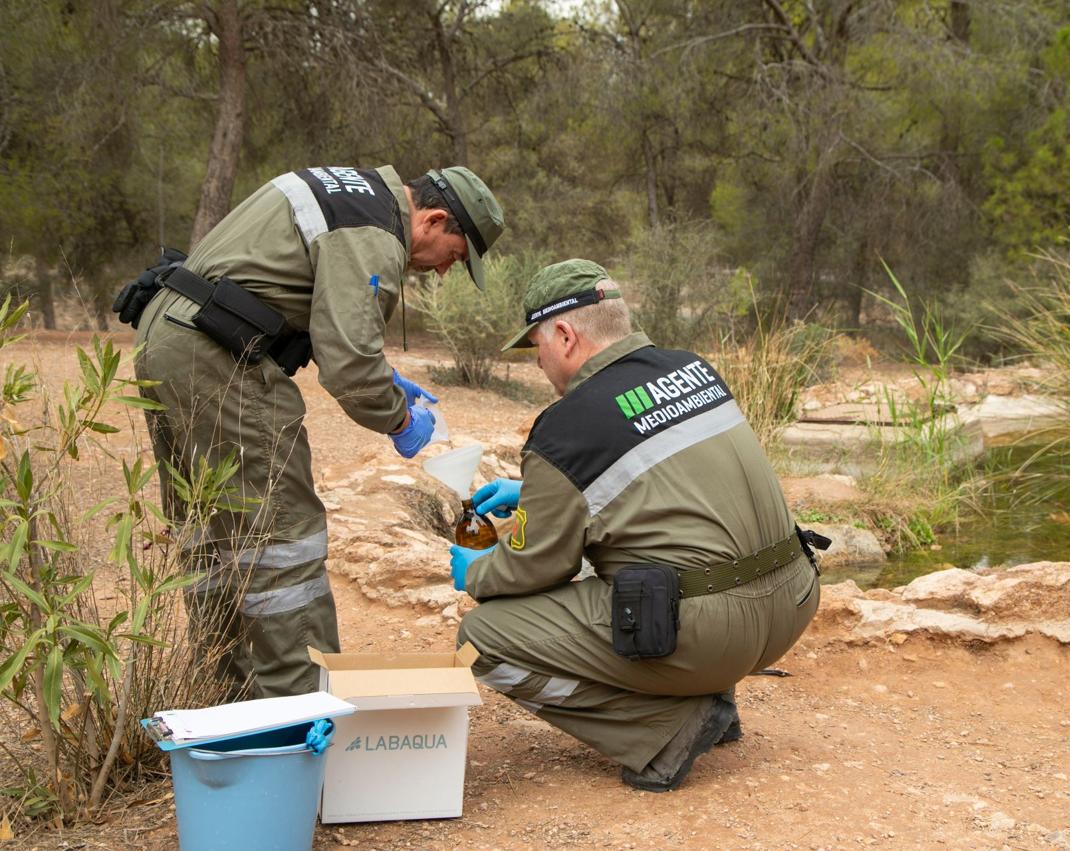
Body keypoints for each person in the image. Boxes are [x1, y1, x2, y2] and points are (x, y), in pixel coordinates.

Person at [126, 164, 504, 698]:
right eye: (455, 256)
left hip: (169, 338)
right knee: (283, 538)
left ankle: (225, 695)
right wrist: (397, 417)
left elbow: (291, 298)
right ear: (435, 219)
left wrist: (380, 376)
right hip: (217, 357)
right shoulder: (373, 229)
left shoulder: (350, 191)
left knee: (212, 529)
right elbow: (350, 366)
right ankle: (299, 708)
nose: (443, 272)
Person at [449, 259, 823, 792]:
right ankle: (710, 698)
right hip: (792, 603)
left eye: (537, 347)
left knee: (483, 638)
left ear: (564, 333)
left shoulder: (566, 428)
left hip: (712, 635)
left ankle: (666, 727)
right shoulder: (691, 369)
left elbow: (536, 568)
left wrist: (478, 572)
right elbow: (672, 490)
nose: (538, 364)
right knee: (670, 569)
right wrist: (534, 491)